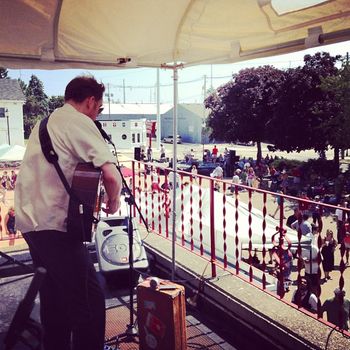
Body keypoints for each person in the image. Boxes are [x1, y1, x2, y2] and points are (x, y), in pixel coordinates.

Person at [15, 76, 122, 350]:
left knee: (55, 295)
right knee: (89, 299)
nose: (97, 114)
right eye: (98, 108)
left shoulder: (44, 123)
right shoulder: (78, 121)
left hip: (30, 223)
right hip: (55, 225)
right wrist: (114, 200)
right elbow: (111, 174)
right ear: (90, 102)